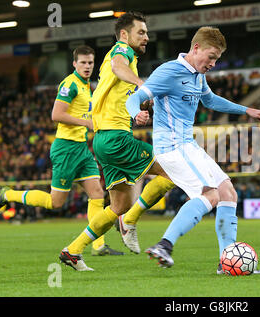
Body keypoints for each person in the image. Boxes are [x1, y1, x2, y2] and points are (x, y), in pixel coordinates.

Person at [126, 26, 260, 272]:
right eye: (211, 57)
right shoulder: (169, 71)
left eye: (217, 59)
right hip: (170, 145)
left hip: (187, 144)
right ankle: (164, 246)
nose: (213, 63)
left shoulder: (197, 74)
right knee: (210, 194)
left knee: (227, 192)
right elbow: (134, 98)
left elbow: (210, 100)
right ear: (196, 48)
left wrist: (245, 110)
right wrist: (136, 112)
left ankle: (228, 262)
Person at [58, 11, 174, 271]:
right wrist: (142, 84)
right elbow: (118, 67)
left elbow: (119, 91)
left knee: (119, 205)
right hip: (115, 138)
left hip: (103, 139)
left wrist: (138, 110)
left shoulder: (120, 59)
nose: (146, 37)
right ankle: (130, 221)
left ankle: (73, 251)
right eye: (141, 32)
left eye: (146, 32)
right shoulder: (122, 51)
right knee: (171, 171)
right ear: (125, 34)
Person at [0, 45, 123, 256]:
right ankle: (7, 194)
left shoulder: (87, 85)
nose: (87, 66)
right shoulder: (69, 84)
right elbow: (56, 114)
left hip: (81, 148)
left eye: (90, 63)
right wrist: (86, 123)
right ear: (74, 64)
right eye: (83, 63)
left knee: (97, 193)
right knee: (55, 202)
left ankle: (98, 246)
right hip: (66, 148)